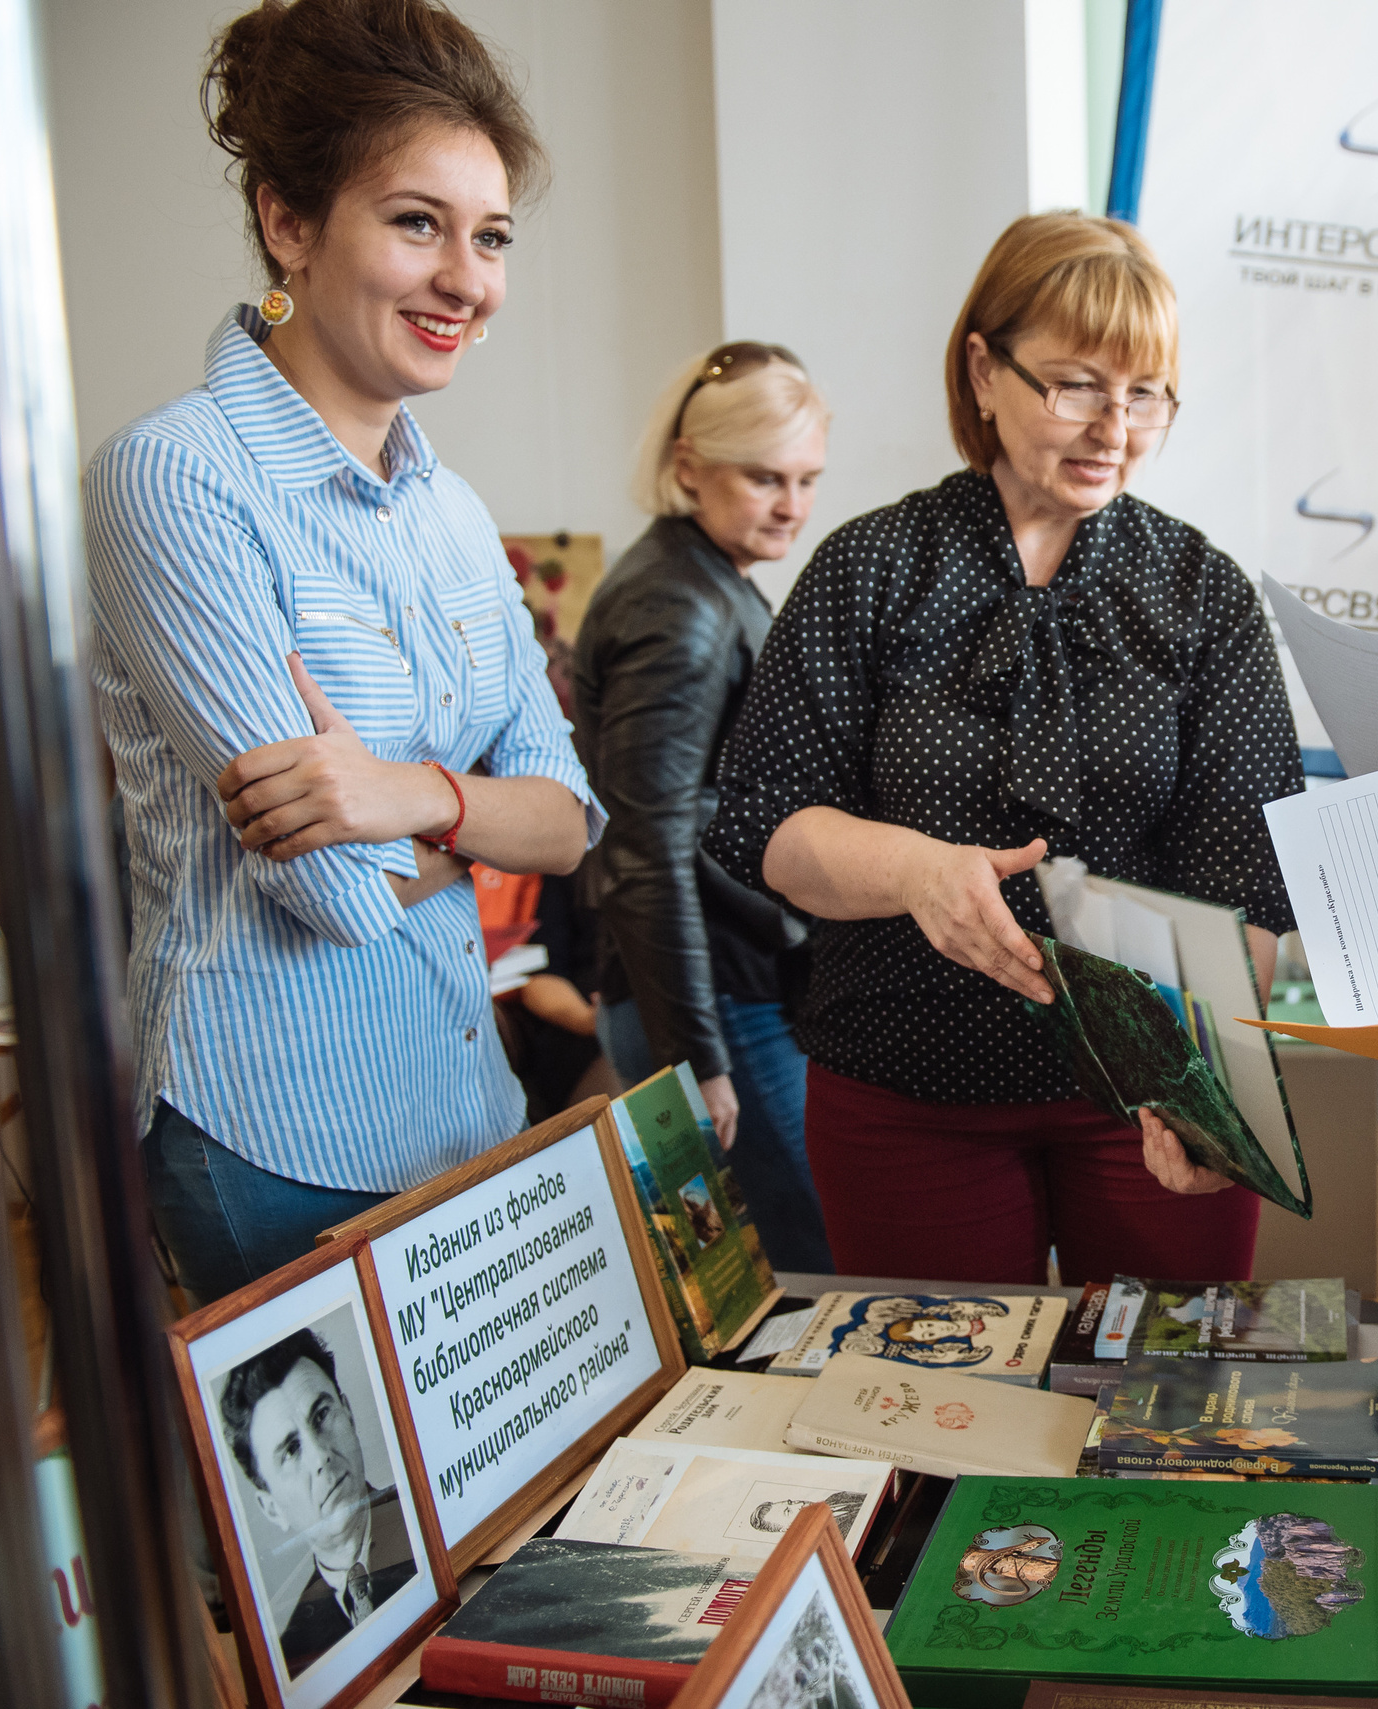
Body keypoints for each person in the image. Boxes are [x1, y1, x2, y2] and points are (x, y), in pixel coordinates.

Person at [85, 0, 599, 1305]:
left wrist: (412, 797)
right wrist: (474, 824)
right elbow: (337, 891)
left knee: (490, 1512)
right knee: (335, 1517)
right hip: (274, 1132)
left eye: (489, 238)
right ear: (290, 223)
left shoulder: (454, 509)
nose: (466, 278)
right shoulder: (175, 477)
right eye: (416, 222)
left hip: (463, 1101)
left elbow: (579, 818)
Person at [701, 213, 1304, 1285]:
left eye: (1145, 393)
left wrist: (1204, 1081)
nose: (1111, 426)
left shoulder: (1199, 592)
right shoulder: (872, 569)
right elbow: (764, 816)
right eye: (1074, 384)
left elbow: (1246, 864)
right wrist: (914, 872)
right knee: (939, 1415)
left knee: (1160, 1420)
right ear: (983, 370)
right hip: (904, 1092)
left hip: (1149, 1094)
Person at [574, 341, 833, 1271]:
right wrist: (700, 1058)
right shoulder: (678, 605)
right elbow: (644, 845)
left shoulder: (704, 579)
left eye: (806, 479)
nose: (792, 505)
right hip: (710, 1001)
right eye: (764, 477)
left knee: (776, 1270)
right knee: (802, 1268)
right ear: (689, 466)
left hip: (720, 987)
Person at [222, 1327, 415, 1675]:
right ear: (272, 1509)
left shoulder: (433, 1523)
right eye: (291, 1449)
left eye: (321, 1416)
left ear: (349, 1415)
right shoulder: (293, 1656)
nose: (320, 1456)